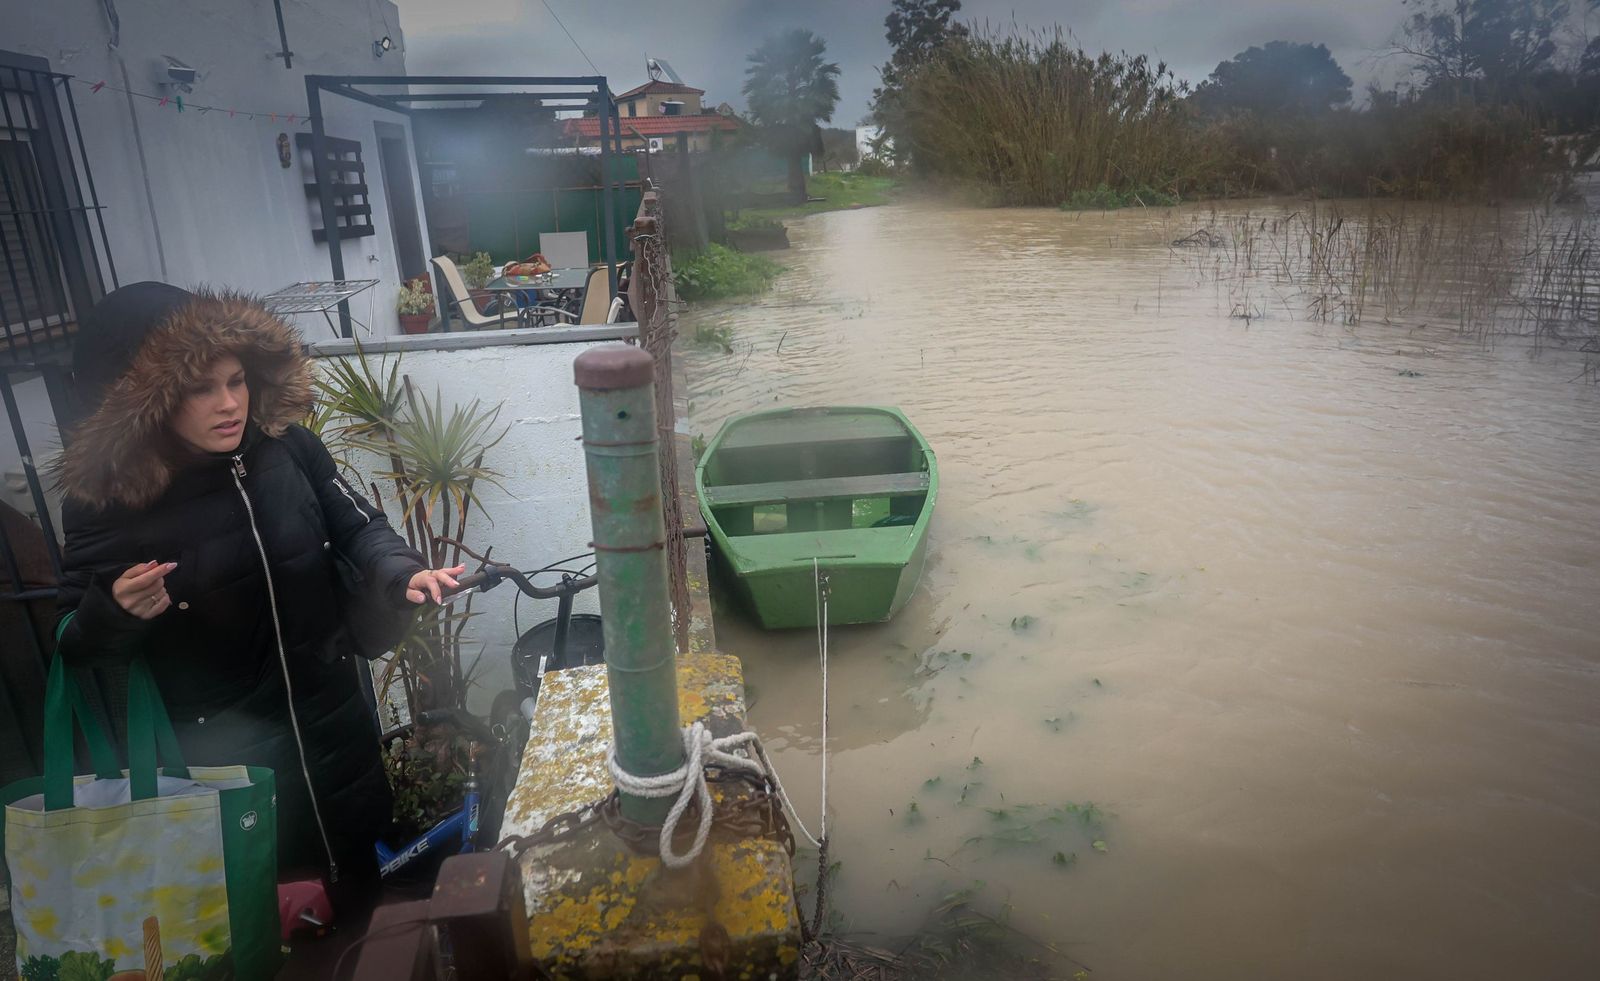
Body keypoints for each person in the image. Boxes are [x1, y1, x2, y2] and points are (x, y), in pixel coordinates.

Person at [52, 282, 463, 912]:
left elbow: (357, 524)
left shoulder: (286, 448)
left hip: (335, 727)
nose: (229, 404)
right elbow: (74, 637)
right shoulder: (109, 502)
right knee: (274, 921)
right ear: (149, 401)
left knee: (366, 900)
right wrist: (113, 613)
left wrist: (399, 573)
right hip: (224, 763)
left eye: (237, 380)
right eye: (200, 388)